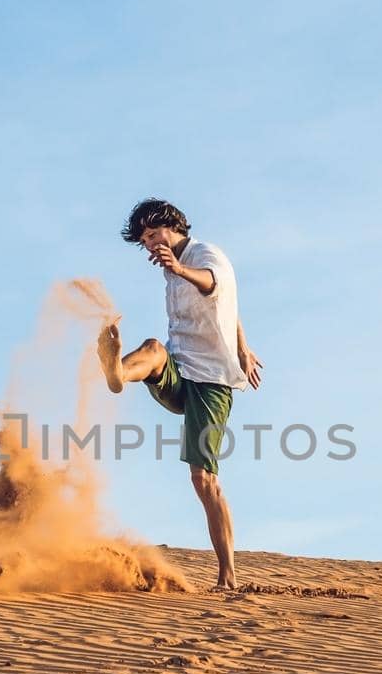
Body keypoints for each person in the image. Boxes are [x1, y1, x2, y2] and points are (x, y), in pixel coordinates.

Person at [97, 198, 263, 590]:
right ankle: (118, 373)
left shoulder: (205, 255)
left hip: (211, 383)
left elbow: (214, 284)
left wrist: (179, 268)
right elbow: (228, 307)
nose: (152, 245)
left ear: (172, 226)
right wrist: (244, 343)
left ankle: (228, 576)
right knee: (154, 348)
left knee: (203, 478)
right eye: (145, 241)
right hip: (179, 369)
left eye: (154, 235)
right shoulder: (172, 269)